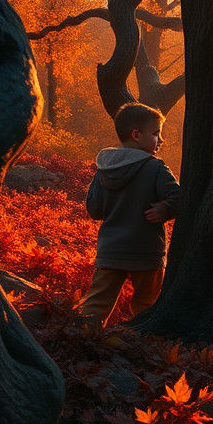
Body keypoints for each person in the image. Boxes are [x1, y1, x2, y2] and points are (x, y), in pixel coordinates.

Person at [79, 102, 179, 327]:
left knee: (96, 304)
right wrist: (165, 209)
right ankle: (143, 348)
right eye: (155, 134)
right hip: (146, 251)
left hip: (111, 250)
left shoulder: (104, 168)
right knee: (147, 305)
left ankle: (81, 339)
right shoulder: (156, 168)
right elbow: (179, 196)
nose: (160, 140)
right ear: (136, 135)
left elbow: (94, 209)